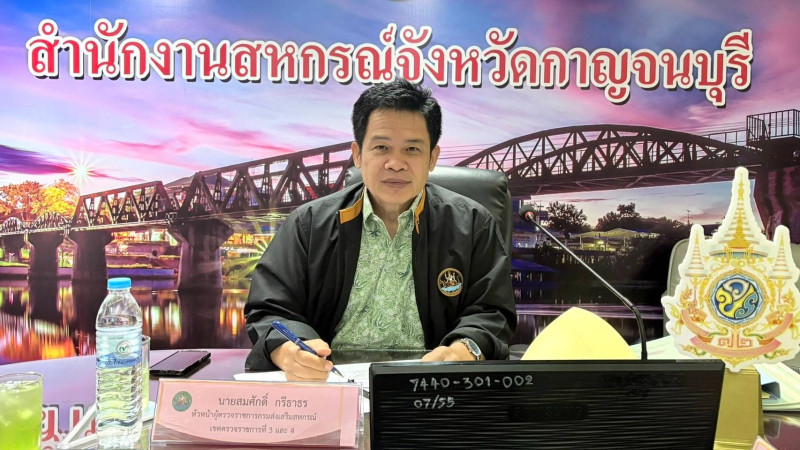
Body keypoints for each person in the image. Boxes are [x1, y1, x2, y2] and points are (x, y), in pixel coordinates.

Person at [244, 79, 516, 379]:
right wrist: (289, 351)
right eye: (381, 147)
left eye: (412, 149)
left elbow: (492, 312)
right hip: (330, 383)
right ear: (358, 154)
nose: (395, 163)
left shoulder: (473, 225)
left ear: (432, 158)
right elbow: (270, 308)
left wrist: (463, 350)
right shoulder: (308, 224)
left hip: (433, 387)